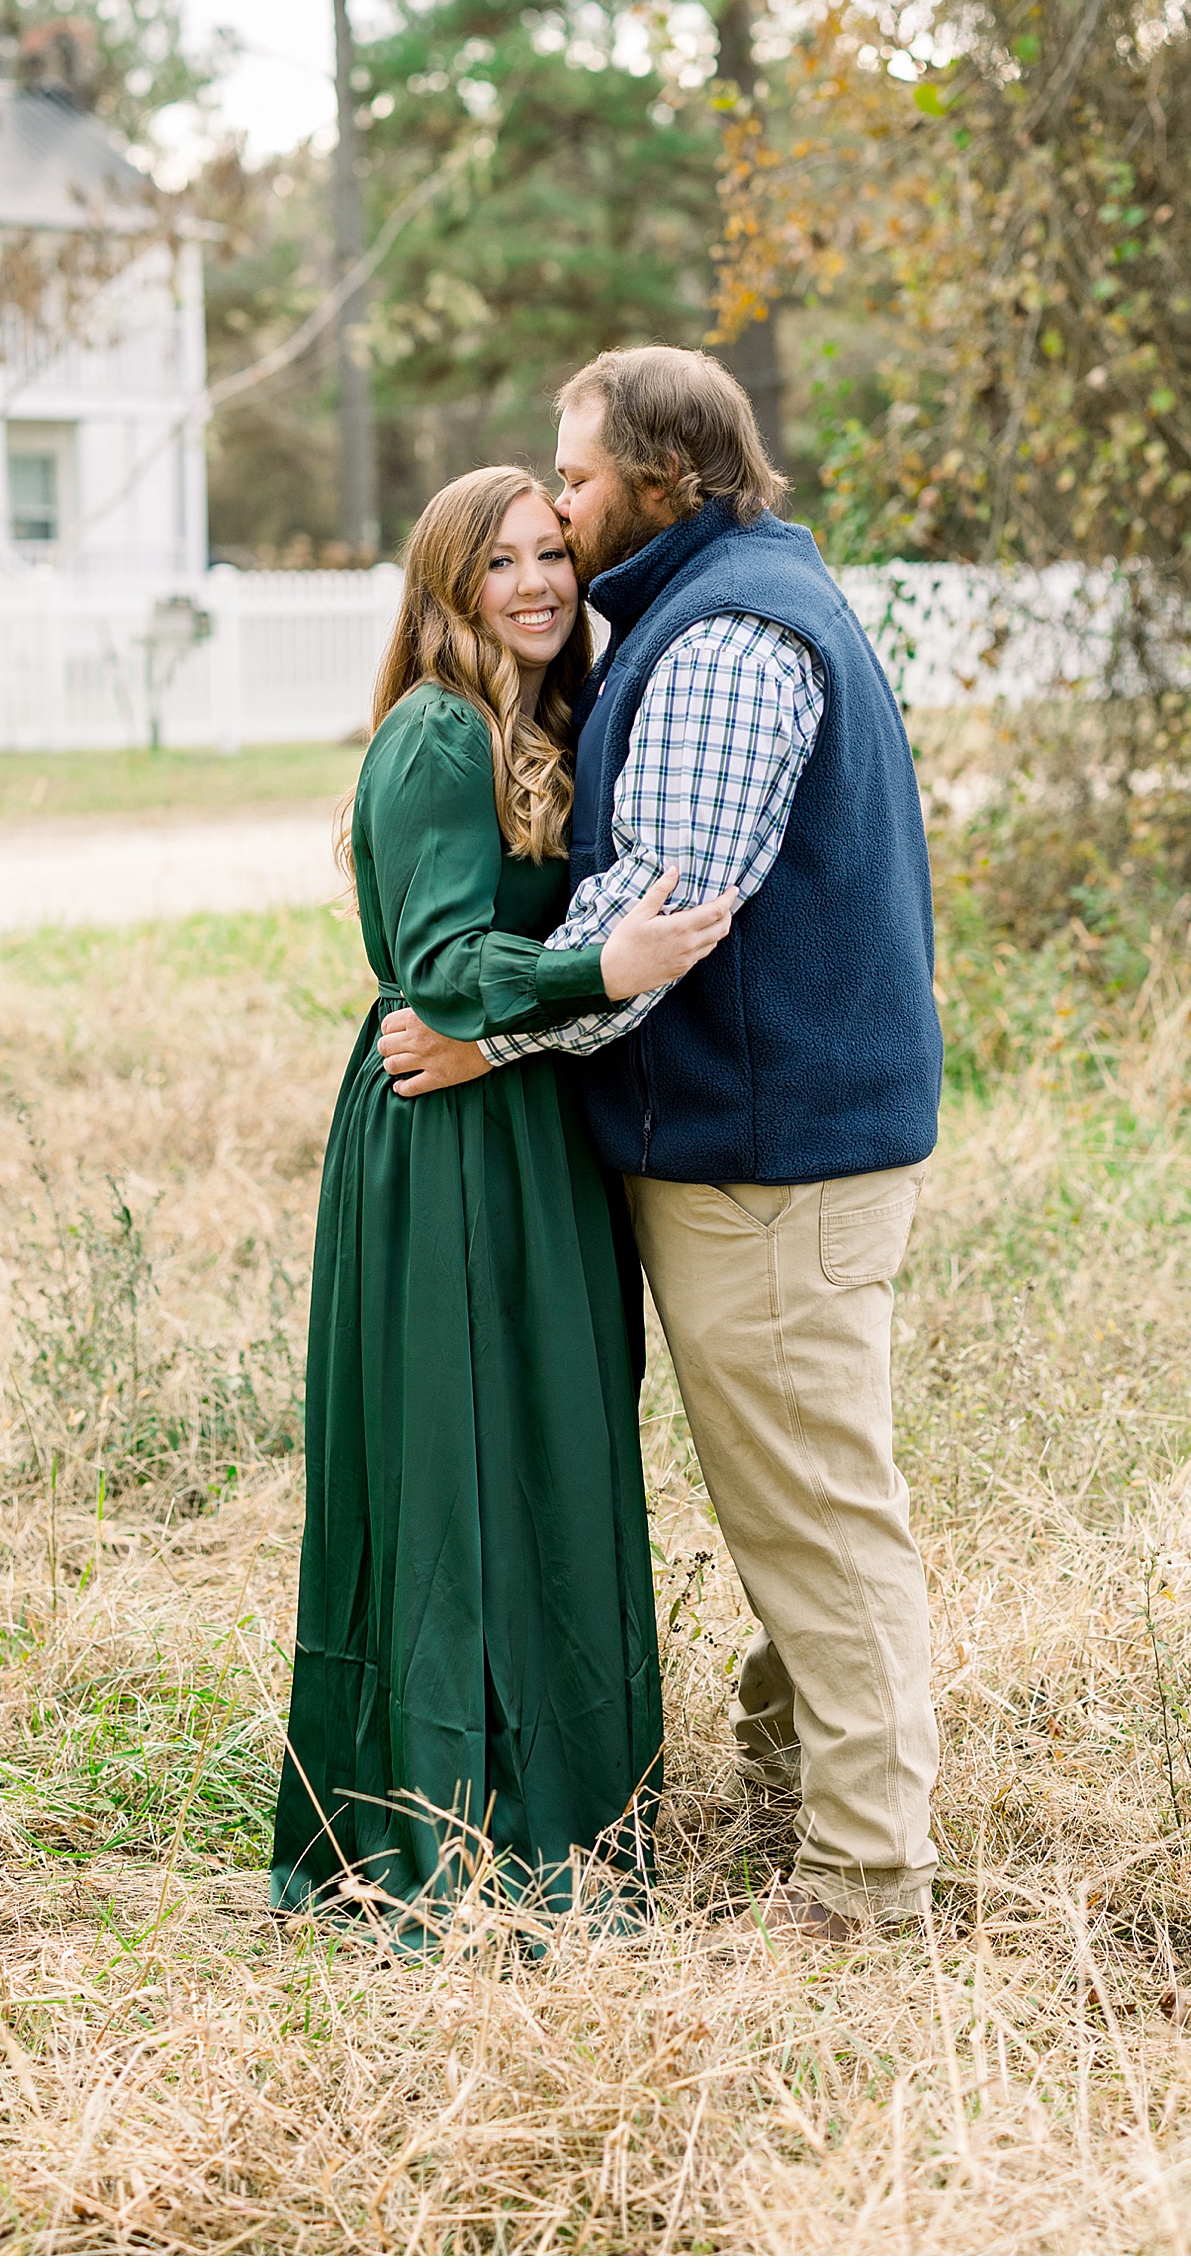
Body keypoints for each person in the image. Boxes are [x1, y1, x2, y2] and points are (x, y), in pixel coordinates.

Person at [379, 349, 946, 1942]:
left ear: (658, 479)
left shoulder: (725, 640)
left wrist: (496, 1026)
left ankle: (862, 1885)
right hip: (770, 1146)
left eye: (572, 478)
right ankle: (796, 1800)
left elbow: (661, 915)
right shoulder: (746, 590)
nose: (554, 508)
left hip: (768, 1162)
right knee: (800, 1495)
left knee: (820, 1516)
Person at [270, 465, 735, 1928]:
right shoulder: (430, 736)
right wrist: (604, 969)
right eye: (503, 563)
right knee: (448, 1469)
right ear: (446, 585)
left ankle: (566, 1810)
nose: (539, 583)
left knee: (548, 1453)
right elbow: (441, 971)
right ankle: (437, 1824)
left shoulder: (546, 724)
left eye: (554, 554)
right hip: (443, 1139)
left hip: (532, 1125)